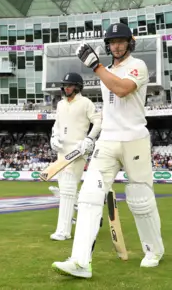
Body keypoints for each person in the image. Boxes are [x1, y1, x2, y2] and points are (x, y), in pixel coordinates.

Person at [52, 23, 164, 278]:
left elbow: (122, 90)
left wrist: (95, 66)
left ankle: (154, 250)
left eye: (121, 41)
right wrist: (93, 137)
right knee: (89, 196)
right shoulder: (106, 70)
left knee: (140, 199)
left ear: (129, 43)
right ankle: (80, 261)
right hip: (108, 141)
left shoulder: (138, 66)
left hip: (134, 138)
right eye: (112, 42)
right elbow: (110, 103)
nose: (116, 45)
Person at [49, 72, 102, 241]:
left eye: (70, 85)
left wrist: (89, 139)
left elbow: (99, 121)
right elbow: (57, 124)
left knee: (67, 190)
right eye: (65, 85)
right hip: (61, 151)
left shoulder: (85, 103)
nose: (66, 88)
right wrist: (53, 136)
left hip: (77, 151)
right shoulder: (60, 104)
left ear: (78, 87)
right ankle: (79, 210)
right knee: (65, 190)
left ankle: (63, 231)